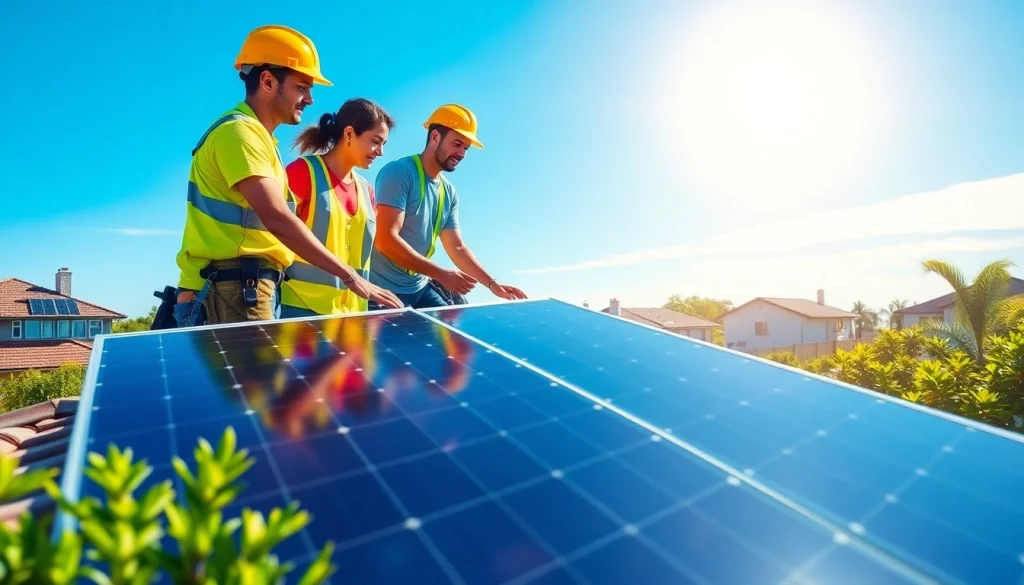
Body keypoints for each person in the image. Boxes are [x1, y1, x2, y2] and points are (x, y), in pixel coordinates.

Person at [172, 25, 401, 328]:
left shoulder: (260, 140)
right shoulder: (239, 133)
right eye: (302, 87)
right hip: (230, 289)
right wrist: (349, 276)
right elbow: (277, 217)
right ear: (268, 81)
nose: (310, 99)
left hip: (242, 287)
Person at [369, 104, 527, 309]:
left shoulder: (448, 192)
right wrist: (441, 275)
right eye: (457, 144)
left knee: (456, 338)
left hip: (419, 288)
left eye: (466, 148)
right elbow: (386, 240)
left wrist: (492, 284)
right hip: (383, 292)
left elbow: (457, 247)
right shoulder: (399, 173)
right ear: (435, 137)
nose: (462, 153)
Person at [278, 98, 396, 318]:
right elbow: (277, 232)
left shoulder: (367, 190)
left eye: (383, 144)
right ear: (349, 134)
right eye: (375, 141)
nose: (380, 151)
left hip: (354, 314)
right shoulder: (302, 172)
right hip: (301, 310)